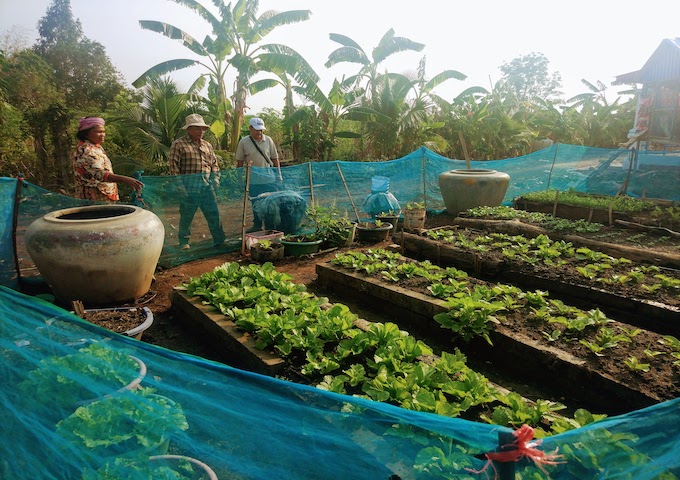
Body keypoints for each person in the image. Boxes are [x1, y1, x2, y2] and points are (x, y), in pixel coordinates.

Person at [168, 114, 226, 250]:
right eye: (197, 129)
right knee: (186, 217)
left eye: (202, 129)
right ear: (188, 129)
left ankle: (219, 240)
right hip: (189, 189)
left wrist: (216, 179)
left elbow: (214, 164)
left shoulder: (207, 145)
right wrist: (180, 188)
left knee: (213, 214)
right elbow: (173, 168)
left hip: (206, 187)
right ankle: (184, 242)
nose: (201, 132)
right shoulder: (179, 144)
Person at [72, 117, 144, 202]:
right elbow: (99, 174)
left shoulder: (96, 147)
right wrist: (124, 179)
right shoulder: (85, 150)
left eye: (103, 132)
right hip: (95, 197)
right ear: (86, 134)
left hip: (106, 195)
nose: (103, 135)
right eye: (98, 132)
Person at [236, 117, 282, 232]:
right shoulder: (244, 142)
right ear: (250, 128)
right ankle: (257, 225)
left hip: (269, 180)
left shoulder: (268, 140)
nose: (259, 132)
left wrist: (278, 175)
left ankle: (270, 227)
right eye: (257, 130)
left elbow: (275, 159)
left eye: (261, 130)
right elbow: (239, 162)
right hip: (253, 181)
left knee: (270, 204)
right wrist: (240, 179)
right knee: (256, 204)